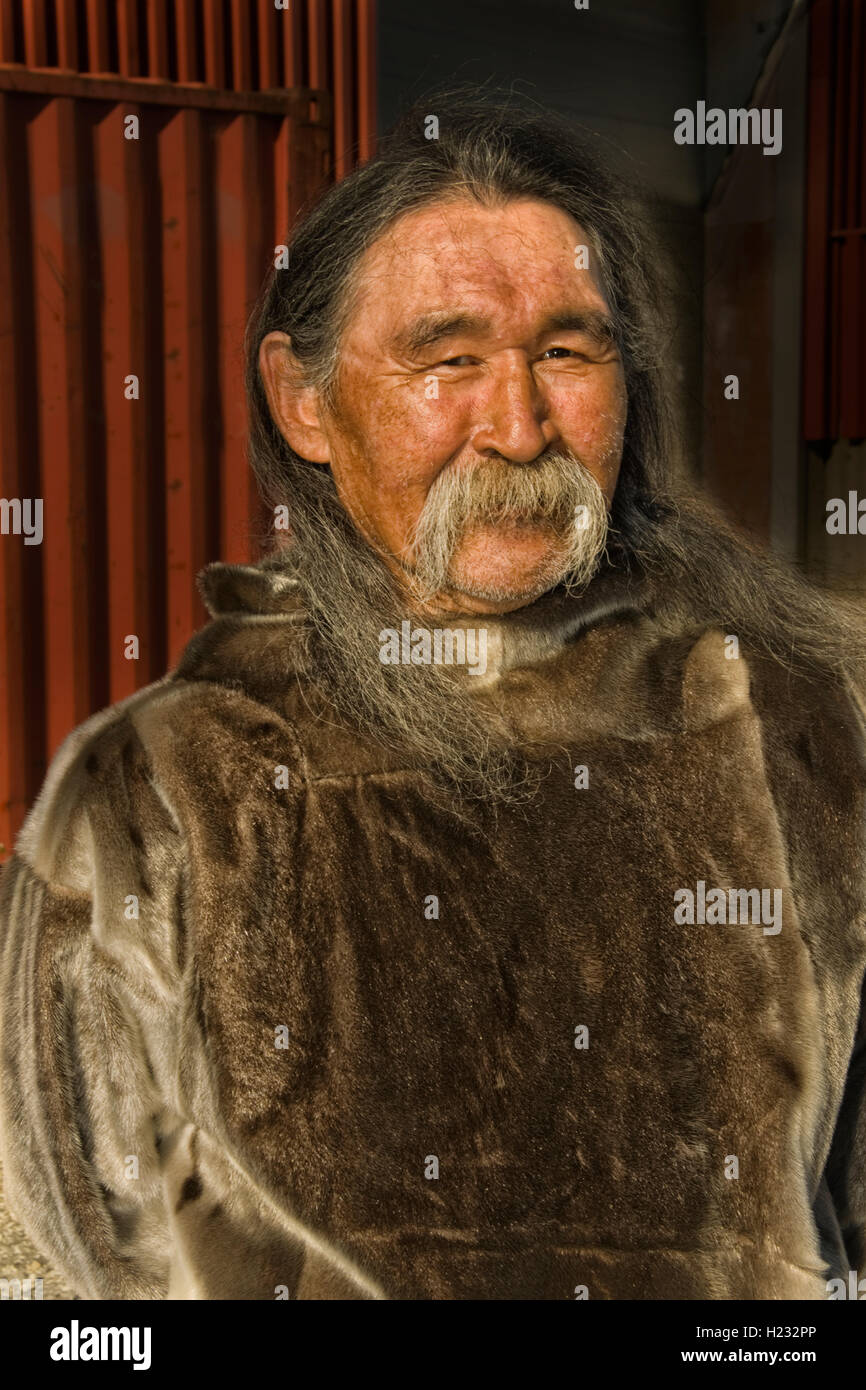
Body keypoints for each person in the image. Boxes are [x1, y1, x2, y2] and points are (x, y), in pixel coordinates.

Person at [1, 88, 864, 1301]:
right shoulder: (154, 798)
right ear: (305, 403)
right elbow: (107, 1252)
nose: (517, 427)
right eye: (446, 360)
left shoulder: (802, 724)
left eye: (566, 353)